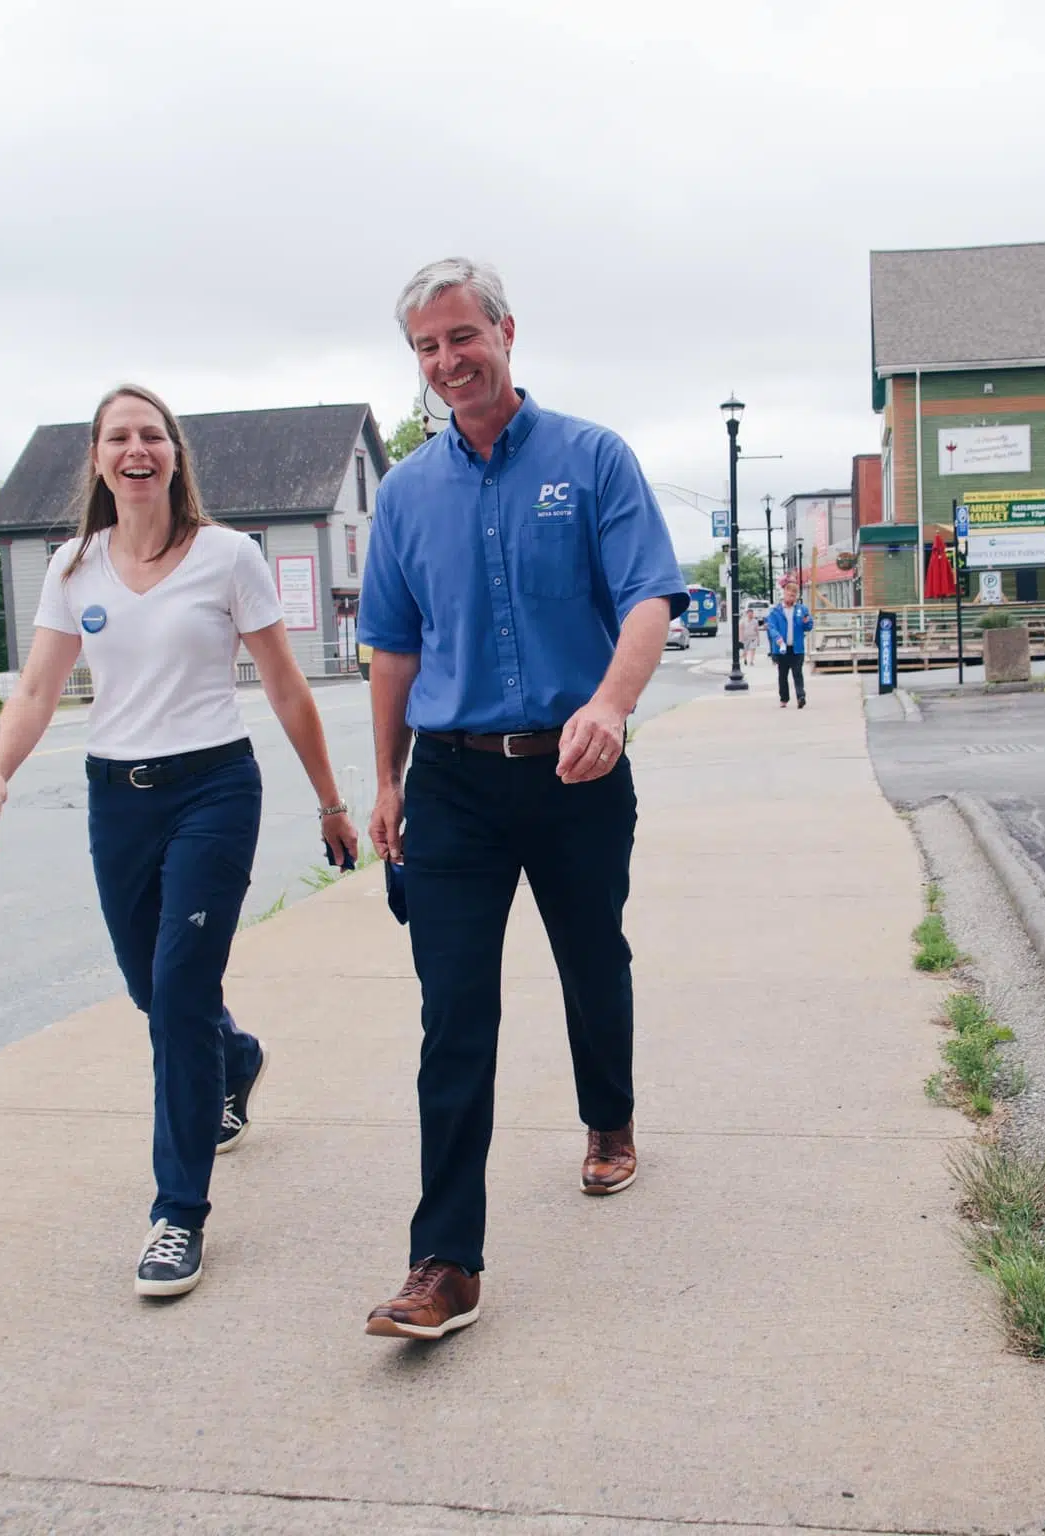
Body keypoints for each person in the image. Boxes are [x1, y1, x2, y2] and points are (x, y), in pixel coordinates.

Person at [0, 384, 358, 1300]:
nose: (136, 450)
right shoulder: (73, 566)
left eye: (151, 436)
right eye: (118, 438)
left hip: (213, 788)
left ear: (175, 454)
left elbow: (288, 688)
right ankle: (236, 1056)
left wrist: (332, 802)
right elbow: (35, 692)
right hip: (119, 799)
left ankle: (177, 1214)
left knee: (178, 992)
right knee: (154, 988)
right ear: (98, 458)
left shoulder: (226, 557)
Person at [357, 258, 686, 1340]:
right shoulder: (405, 492)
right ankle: (444, 1262)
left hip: (574, 770)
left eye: (462, 337)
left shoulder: (590, 460)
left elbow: (646, 597)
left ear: (504, 331)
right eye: (425, 348)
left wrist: (609, 705)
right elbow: (393, 650)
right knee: (452, 1009)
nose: (448, 362)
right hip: (451, 780)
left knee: (591, 960)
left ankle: (609, 1118)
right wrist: (387, 776)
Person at [767, 579, 813, 708]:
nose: (791, 598)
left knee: (797, 673)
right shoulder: (776, 611)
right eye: (789, 594)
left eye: (793, 595)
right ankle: (784, 698)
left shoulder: (801, 610)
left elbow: (809, 626)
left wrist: (806, 622)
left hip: (797, 648)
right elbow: (771, 627)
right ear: (784, 593)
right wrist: (777, 638)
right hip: (782, 649)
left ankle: (801, 696)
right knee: (783, 675)